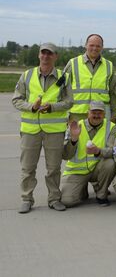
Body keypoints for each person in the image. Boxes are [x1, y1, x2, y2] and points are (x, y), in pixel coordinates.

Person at [13, 43, 73, 213]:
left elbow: (69, 102)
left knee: (53, 168)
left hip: (54, 131)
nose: (46, 56)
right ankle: (27, 198)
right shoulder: (27, 75)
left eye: (50, 54)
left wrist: (52, 107)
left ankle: (54, 198)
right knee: (28, 167)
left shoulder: (64, 77)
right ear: (39, 55)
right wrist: (32, 106)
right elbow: (16, 100)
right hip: (30, 131)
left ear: (56, 56)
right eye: (43, 53)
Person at [60, 101, 116, 207]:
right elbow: (65, 156)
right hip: (77, 171)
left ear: (104, 114)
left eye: (99, 113)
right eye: (93, 112)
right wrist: (73, 139)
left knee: (110, 163)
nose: (96, 115)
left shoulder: (112, 128)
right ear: (88, 113)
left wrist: (98, 151)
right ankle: (82, 189)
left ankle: (101, 194)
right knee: (67, 201)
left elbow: (115, 151)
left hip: (97, 169)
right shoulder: (75, 126)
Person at [64, 34, 116, 123]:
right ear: (86, 45)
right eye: (91, 45)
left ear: (102, 47)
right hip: (78, 114)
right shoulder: (73, 63)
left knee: (101, 137)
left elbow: (112, 92)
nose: (94, 48)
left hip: (100, 114)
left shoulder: (109, 65)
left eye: (98, 46)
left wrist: (115, 113)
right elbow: (62, 88)